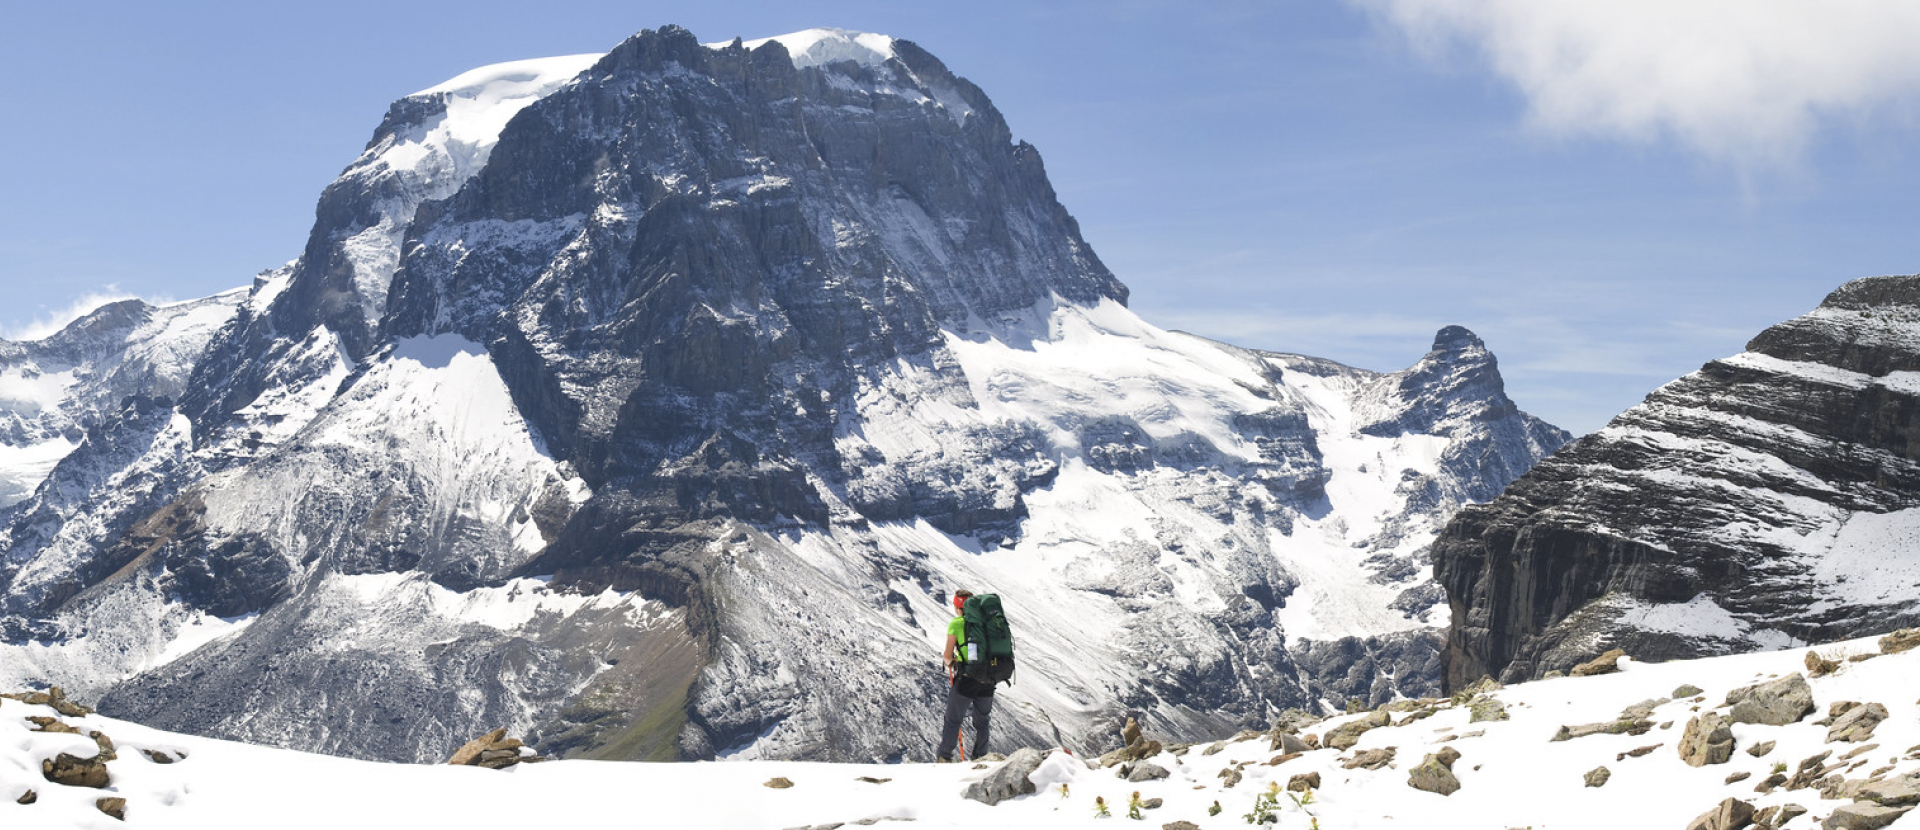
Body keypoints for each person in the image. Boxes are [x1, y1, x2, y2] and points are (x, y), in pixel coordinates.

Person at [937, 589, 994, 762]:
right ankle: (981, 756)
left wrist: (951, 662)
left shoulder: (957, 624)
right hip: (988, 678)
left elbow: (947, 656)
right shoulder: (986, 622)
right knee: (982, 721)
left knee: (953, 719)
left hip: (967, 679)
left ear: (957, 606)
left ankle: (945, 756)